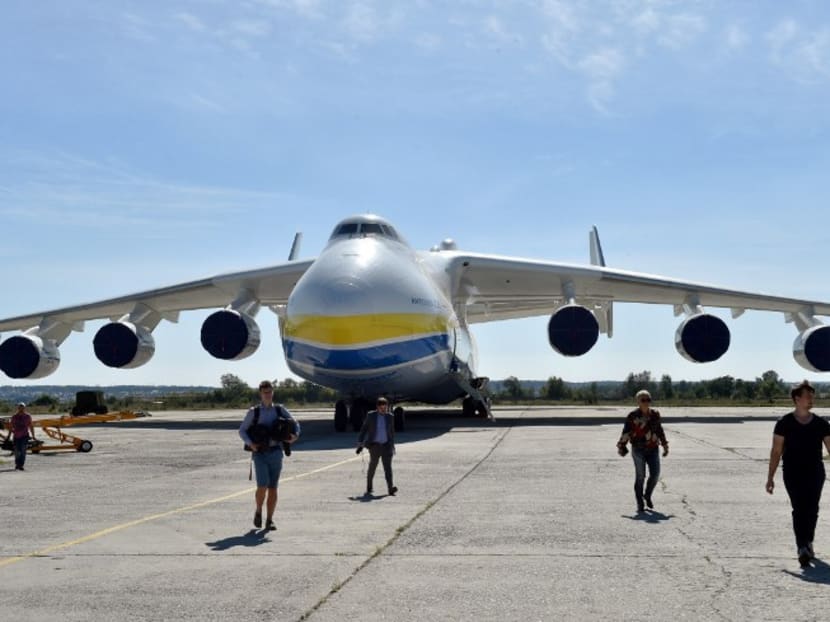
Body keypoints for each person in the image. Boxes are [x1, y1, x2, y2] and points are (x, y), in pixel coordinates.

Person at [766, 379, 830, 567]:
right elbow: (776, 451)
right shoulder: (784, 423)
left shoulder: (821, 423)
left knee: (812, 509)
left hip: (815, 472)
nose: (811, 400)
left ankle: (808, 541)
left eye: (812, 396)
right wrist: (770, 478)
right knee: (799, 508)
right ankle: (802, 546)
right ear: (796, 399)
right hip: (792, 472)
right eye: (807, 396)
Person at [238, 380, 300, 530]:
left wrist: (295, 435)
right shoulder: (254, 412)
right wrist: (250, 444)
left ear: (273, 393)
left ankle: (269, 520)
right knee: (262, 486)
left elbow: (295, 423)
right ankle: (259, 510)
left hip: (276, 452)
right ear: (261, 394)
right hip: (259, 453)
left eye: (270, 392)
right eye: (265, 392)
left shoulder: (279, 410)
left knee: (273, 488)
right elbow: (242, 430)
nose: (268, 395)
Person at [616, 389, 669, 512]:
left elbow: (660, 430)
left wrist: (665, 445)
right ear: (638, 402)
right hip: (638, 450)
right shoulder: (632, 416)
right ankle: (639, 501)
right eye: (643, 400)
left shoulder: (655, 414)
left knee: (655, 475)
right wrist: (621, 445)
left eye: (648, 400)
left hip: (653, 449)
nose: (646, 402)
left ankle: (647, 495)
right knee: (640, 476)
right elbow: (626, 432)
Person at [357, 397, 397, 496]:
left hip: (386, 446)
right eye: (382, 408)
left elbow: (391, 432)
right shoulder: (371, 416)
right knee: (372, 467)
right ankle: (369, 486)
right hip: (375, 446)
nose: (384, 410)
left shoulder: (390, 416)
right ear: (377, 407)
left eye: (385, 408)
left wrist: (392, 445)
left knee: (388, 468)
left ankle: (390, 488)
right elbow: (364, 429)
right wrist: (360, 441)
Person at [4, 403, 37, 471]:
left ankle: (21, 465)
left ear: (24, 408)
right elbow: (11, 427)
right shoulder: (14, 417)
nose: (21, 410)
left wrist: (33, 435)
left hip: (24, 436)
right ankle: (17, 464)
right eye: (20, 408)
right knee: (16, 451)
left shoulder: (27, 416)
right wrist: (8, 436)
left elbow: (31, 426)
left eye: (22, 408)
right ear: (18, 408)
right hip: (16, 436)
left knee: (23, 451)